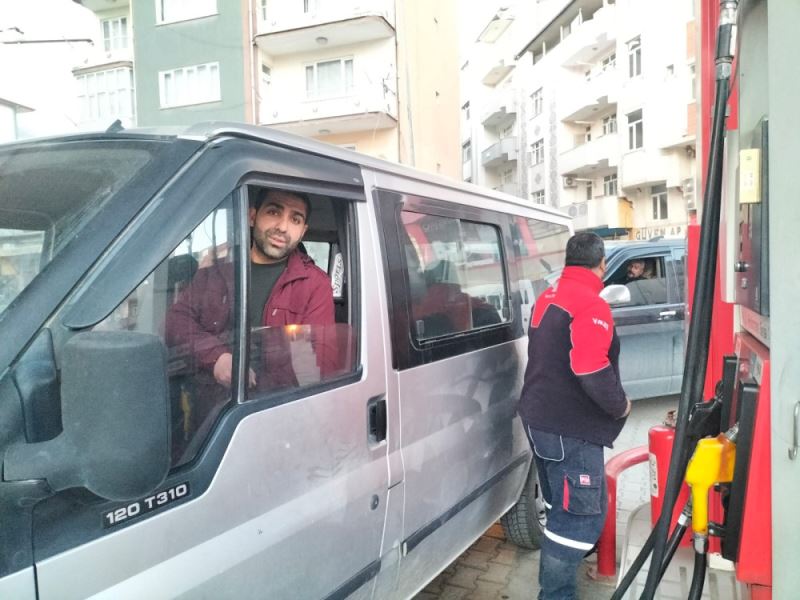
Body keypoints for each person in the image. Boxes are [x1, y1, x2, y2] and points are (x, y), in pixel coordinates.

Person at [165, 189, 336, 455]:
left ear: (303, 231)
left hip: (274, 419)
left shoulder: (315, 284)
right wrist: (217, 358)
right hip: (208, 419)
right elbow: (176, 322)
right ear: (253, 216)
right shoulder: (216, 270)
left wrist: (253, 382)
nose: (282, 226)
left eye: (295, 219)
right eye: (273, 212)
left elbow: (315, 365)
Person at [518, 232, 630, 600]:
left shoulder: (546, 297)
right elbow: (590, 369)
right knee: (578, 520)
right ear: (601, 264)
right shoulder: (591, 304)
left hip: (539, 420)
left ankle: (556, 582)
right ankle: (555, 594)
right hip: (570, 430)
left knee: (558, 508)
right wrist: (620, 406)